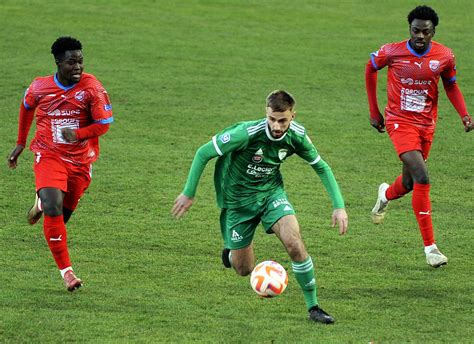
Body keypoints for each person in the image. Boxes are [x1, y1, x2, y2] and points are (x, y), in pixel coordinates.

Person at [172, 90, 348, 324]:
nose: (276, 126)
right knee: (244, 269)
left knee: (294, 243)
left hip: (270, 194)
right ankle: (232, 250)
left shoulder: (297, 136)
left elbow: (321, 166)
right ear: (266, 114)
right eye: (272, 119)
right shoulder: (245, 134)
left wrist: (339, 206)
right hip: (238, 203)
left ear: (292, 116)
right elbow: (203, 153)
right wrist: (189, 192)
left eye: (282, 120)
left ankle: (313, 307)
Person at [365, 5, 472, 267]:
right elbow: (370, 68)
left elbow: (451, 84)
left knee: (410, 182)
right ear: (409, 29)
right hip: (399, 122)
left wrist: (464, 114)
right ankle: (431, 248)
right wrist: (374, 111)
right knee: (422, 176)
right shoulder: (392, 51)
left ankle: (385, 195)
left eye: (425, 32)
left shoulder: (445, 56)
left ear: (433, 31)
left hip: (426, 126)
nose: (420, 36)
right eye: (415, 31)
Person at [7, 36, 114, 291]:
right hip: (48, 154)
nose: (77, 67)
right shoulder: (40, 87)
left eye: (80, 61)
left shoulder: (91, 88)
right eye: (71, 62)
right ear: (57, 62)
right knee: (54, 207)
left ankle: (40, 202)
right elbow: (26, 106)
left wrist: (77, 134)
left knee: (61, 218)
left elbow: (103, 124)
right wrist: (21, 142)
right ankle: (67, 273)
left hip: (80, 161)